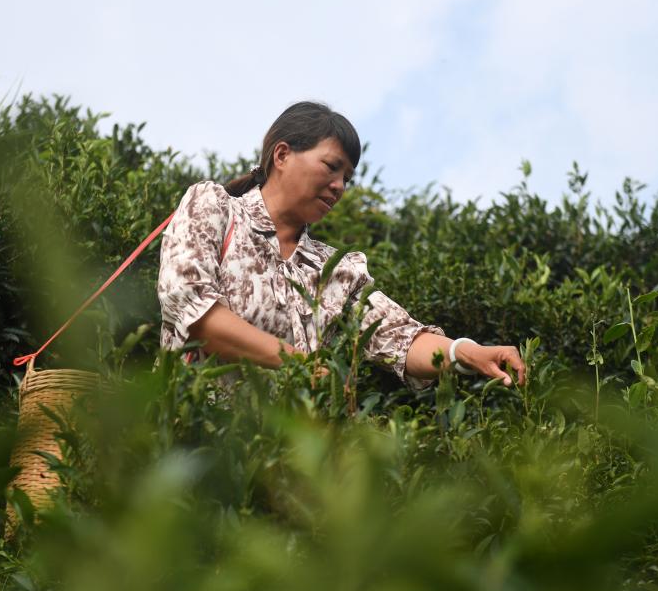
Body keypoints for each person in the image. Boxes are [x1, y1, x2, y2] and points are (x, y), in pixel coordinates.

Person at [156, 101, 527, 391]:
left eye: (347, 177)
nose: (339, 186)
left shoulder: (334, 269)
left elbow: (397, 337)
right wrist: (300, 364)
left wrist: (465, 352)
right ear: (282, 155)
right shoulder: (213, 208)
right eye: (331, 167)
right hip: (193, 440)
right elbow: (195, 314)